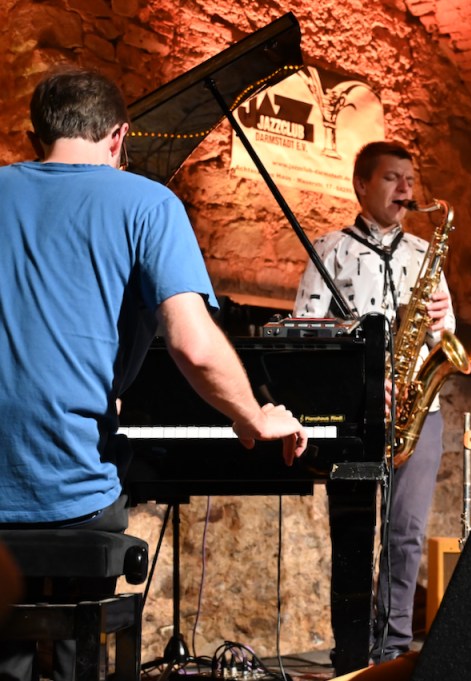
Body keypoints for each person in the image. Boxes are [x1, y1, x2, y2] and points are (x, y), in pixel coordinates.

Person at [0, 67, 307, 681]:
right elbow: (193, 346)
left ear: (36, 138)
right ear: (120, 137)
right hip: (72, 494)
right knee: (76, 624)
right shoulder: (147, 202)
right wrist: (252, 415)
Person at [293, 140, 455, 664]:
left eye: (409, 178)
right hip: (354, 413)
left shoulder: (426, 254)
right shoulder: (329, 249)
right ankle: (350, 654)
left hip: (419, 412)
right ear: (361, 185)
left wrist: (442, 320)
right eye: (391, 178)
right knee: (353, 534)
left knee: (406, 535)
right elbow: (306, 336)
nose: (405, 189)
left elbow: (446, 337)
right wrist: (360, 377)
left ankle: (393, 653)